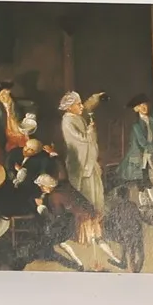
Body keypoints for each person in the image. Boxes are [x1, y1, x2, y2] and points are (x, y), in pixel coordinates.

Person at [60, 90, 108, 219]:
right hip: (80, 162)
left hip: (89, 161)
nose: (81, 106)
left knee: (95, 192)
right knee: (85, 193)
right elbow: (80, 139)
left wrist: (96, 98)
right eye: (78, 104)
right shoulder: (67, 121)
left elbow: (87, 107)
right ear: (69, 107)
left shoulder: (78, 117)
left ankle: (98, 218)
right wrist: (90, 131)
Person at [117, 94, 153, 221]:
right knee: (146, 185)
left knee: (143, 186)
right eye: (140, 105)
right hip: (137, 159)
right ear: (136, 109)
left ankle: (147, 210)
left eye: (145, 104)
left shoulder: (150, 120)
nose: (144, 107)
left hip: (145, 157)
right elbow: (143, 143)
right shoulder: (136, 126)